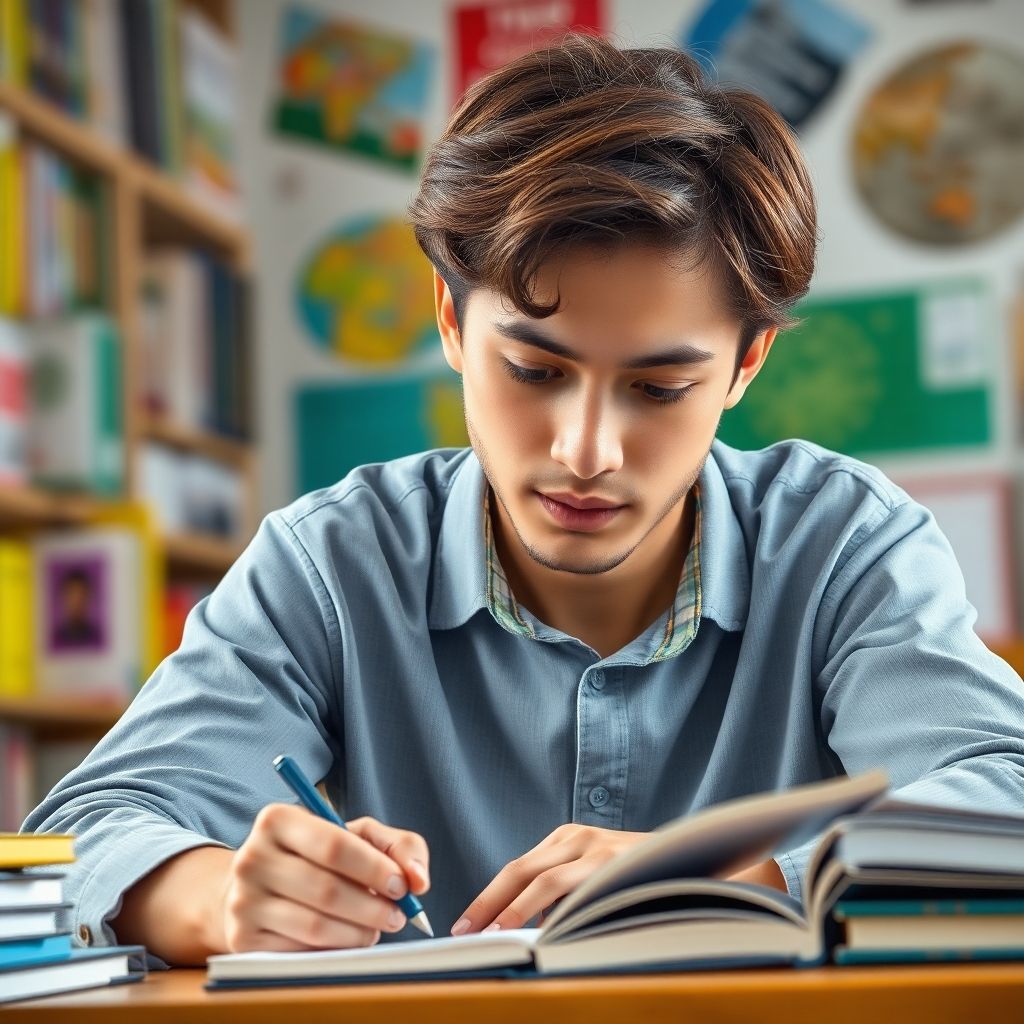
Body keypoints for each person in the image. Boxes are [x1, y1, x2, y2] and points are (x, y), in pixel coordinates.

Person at [24, 35, 1024, 968]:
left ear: (744, 364)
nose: (583, 451)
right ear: (452, 321)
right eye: (535, 370)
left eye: (657, 388)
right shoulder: (332, 561)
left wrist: (733, 886)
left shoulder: (844, 543)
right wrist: (221, 898)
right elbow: (77, 841)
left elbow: (1006, 795)